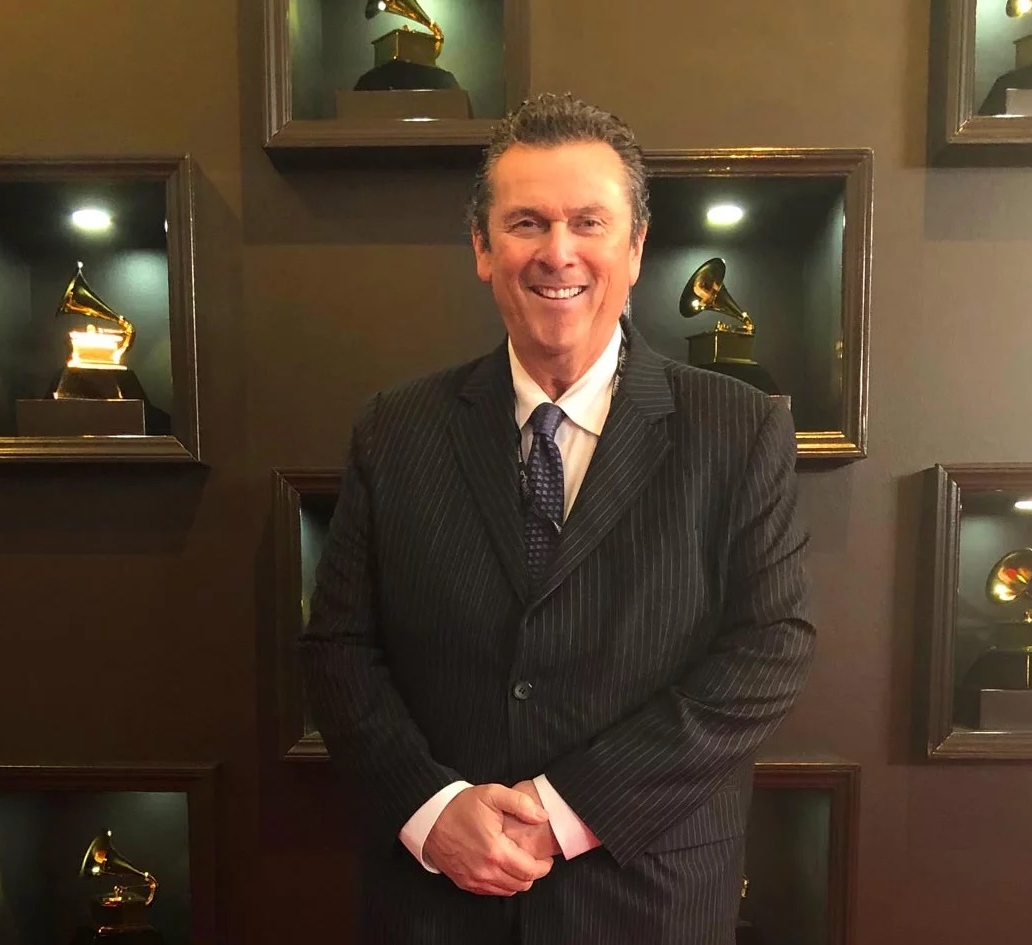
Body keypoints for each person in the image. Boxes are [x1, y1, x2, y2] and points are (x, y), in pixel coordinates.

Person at [298, 91, 816, 945]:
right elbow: (339, 647)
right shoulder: (395, 429)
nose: (558, 252)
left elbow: (772, 648)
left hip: (650, 901)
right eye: (527, 223)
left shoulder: (740, 427)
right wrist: (431, 808)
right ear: (482, 247)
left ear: (635, 247)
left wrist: (569, 806)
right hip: (436, 904)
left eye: (588, 222)